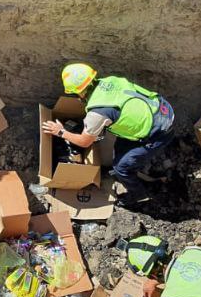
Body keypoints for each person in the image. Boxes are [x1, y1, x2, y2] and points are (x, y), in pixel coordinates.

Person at [41, 63, 176, 207]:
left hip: (159, 131)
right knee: (120, 148)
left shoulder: (97, 113)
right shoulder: (109, 81)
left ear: (79, 91)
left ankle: (138, 195)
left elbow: (85, 142)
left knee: (121, 168)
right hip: (162, 109)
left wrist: (61, 132)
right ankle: (136, 165)